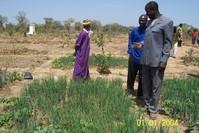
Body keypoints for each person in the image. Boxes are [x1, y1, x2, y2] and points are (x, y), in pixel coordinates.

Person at [141, 1, 173, 119]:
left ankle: (153, 109)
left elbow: (167, 43)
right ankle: (147, 104)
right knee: (146, 84)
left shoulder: (167, 22)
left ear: (154, 10)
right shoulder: (149, 22)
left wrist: (164, 59)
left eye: (148, 11)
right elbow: (151, 40)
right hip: (145, 59)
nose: (146, 14)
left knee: (156, 85)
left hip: (157, 60)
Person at [127, 15, 148, 98]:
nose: (141, 22)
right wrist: (130, 50)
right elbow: (130, 40)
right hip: (133, 57)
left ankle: (140, 94)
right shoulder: (134, 30)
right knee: (131, 75)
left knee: (142, 77)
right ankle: (129, 90)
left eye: (143, 20)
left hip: (144, 59)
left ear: (147, 21)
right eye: (140, 20)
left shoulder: (149, 32)